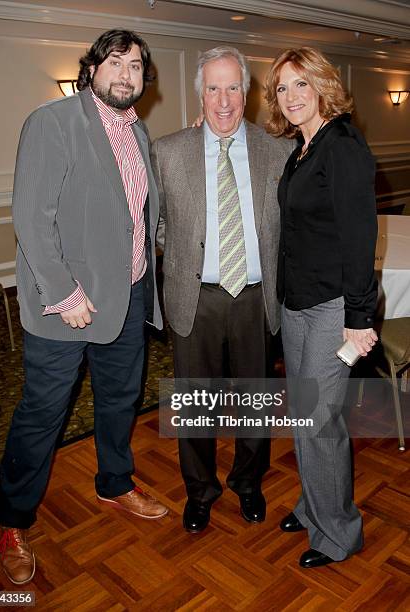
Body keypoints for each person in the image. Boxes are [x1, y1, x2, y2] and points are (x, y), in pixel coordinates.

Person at [0, 29, 168, 585]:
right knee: (42, 415)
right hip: (67, 304)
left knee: (121, 400)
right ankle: (13, 520)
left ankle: (115, 483)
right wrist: (63, 292)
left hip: (129, 294)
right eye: (115, 63)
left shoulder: (138, 132)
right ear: (91, 69)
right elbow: (31, 219)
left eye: (137, 66)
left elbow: (132, 215)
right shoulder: (53, 122)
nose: (126, 74)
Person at [151, 46, 292, 533]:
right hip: (197, 298)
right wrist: (194, 256)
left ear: (248, 92)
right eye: (214, 87)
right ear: (200, 94)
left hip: (257, 296)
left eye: (233, 86)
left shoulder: (279, 151)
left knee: (256, 400)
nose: (224, 99)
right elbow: (160, 226)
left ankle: (248, 484)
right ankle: (200, 491)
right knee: (194, 404)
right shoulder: (168, 152)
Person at [265, 46, 378, 568]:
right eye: (282, 87)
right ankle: (313, 506)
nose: (290, 97)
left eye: (300, 84)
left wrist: (359, 319)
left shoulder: (343, 145)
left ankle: (338, 534)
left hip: (334, 307)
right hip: (298, 303)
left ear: (321, 85)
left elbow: (359, 237)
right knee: (304, 411)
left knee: (319, 420)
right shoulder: (302, 149)